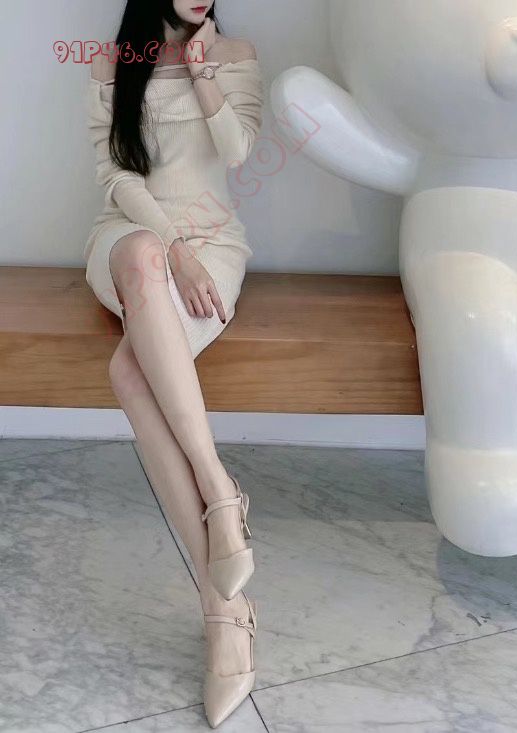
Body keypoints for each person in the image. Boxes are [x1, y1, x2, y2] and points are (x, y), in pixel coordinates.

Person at [83, 1, 262, 727]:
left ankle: (225, 614)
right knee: (141, 253)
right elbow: (115, 176)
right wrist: (171, 249)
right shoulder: (112, 61)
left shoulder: (236, 53)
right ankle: (219, 489)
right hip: (128, 242)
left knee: (130, 374)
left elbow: (239, 150)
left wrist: (201, 71)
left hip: (215, 242)